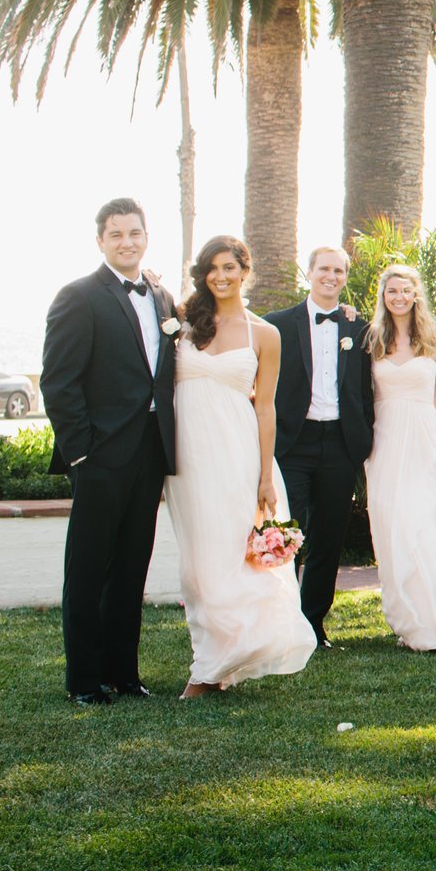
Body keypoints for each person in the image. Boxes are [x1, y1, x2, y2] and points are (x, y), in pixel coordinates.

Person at [41, 198, 181, 705]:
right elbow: (58, 383)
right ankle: (83, 680)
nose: (127, 242)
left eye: (135, 233)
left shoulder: (163, 299)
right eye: (117, 234)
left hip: (149, 455)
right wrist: (80, 454)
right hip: (99, 457)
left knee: (130, 568)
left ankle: (123, 672)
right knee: (87, 569)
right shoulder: (78, 296)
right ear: (100, 240)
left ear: (147, 238)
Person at [163, 236, 315, 697]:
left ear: (245, 271)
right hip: (186, 459)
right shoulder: (182, 322)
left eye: (230, 267)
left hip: (236, 453)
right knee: (198, 564)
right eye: (213, 268)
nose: (221, 276)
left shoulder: (264, 334)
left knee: (231, 554)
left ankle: (210, 670)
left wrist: (266, 474)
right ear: (202, 274)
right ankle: (217, 657)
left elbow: (265, 407)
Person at [362, 265, 436, 652]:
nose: (398, 297)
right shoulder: (371, 339)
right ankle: (408, 620)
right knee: (391, 523)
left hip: (423, 437)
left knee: (425, 523)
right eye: (391, 291)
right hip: (384, 439)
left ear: (416, 294)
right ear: (383, 296)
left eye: (405, 290)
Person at [266, 245, 371, 647]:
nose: (332, 276)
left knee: (329, 537)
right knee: (289, 532)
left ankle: (313, 623)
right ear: (309, 272)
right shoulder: (278, 324)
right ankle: (280, 621)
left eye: (339, 270)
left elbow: (365, 387)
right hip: (293, 442)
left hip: (340, 443)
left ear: (345, 277)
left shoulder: (357, 328)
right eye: (324, 268)